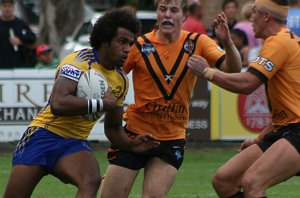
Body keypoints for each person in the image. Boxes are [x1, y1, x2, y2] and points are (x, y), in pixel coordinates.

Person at [3, 8, 159, 198]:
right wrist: (100, 104)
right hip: (42, 136)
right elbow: (58, 104)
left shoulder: (121, 80)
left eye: (131, 43)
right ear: (104, 41)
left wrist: (132, 144)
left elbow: (113, 129)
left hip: (73, 144)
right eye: (122, 42)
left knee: (91, 180)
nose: (128, 49)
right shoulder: (79, 61)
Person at [100, 0, 241, 197]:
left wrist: (227, 41)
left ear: (184, 16)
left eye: (174, 10)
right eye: (162, 9)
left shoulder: (198, 42)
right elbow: (111, 76)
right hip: (135, 135)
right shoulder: (139, 45)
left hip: (171, 139)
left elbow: (233, 69)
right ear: (157, 13)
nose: (167, 14)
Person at [187, 0, 300, 197]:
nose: (249, 18)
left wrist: (206, 72)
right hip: (285, 130)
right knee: (224, 180)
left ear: (266, 16)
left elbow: (247, 84)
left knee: (253, 183)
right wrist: (259, 138)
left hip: (296, 132)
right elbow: (292, 109)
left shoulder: (279, 41)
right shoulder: (283, 40)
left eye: (254, 13)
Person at [0, 0, 37, 69]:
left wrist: (21, 42)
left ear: (13, 8)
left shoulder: (21, 24)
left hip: (20, 66)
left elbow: (34, 44)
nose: (7, 9)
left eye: (9, 6)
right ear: (1, 8)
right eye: (4, 6)